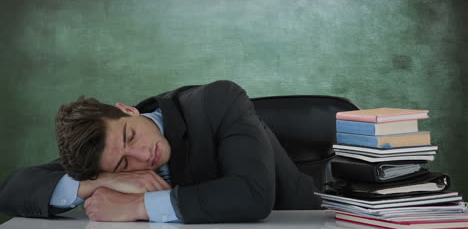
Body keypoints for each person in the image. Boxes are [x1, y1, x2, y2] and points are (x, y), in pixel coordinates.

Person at [0, 80, 321, 223]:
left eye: (130, 136)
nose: (141, 156)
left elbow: (252, 195)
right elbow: (12, 191)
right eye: (122, 163)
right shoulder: (102, 156)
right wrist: (92, 185)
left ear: (127, 110)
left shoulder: (218, 101)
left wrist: (137, 205)